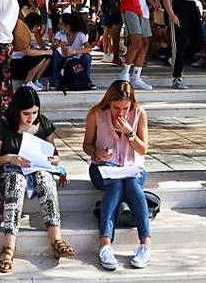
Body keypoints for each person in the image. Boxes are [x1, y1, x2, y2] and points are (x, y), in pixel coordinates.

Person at [0, 87, 75, 273]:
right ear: (16, 110)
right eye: (26, 113)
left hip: (38, 170)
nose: (31, 117)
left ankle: (56, 239)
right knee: (16, 182)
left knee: (46, 179)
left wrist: (55, 159)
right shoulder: (4, 124)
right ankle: (8, 247)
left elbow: (54, 153)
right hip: (10, 171)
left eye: (35, 112)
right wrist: (11, 158)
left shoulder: (43, 123)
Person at [83, 80, 152, 271]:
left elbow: (143, 149)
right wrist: (97, 154)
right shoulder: (96, 114)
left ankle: (145, 244)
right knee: (114, 184)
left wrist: (130, 133)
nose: (120, 112)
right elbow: (86, 145)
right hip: (103, 167)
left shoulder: (139, 113)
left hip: (131, 167)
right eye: (116, 108)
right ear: (109, 102)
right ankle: (105, 245)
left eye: (125, 108)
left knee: (131, 184)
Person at [160, 0, 204, 89]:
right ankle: (177, 77)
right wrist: (171, 14)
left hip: (191, 7)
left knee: (199, 41)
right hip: (178, 7)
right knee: (179, 43)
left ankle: (176, 60)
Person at [118, 0, 159, 90]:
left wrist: (153, 3)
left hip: (144, 10)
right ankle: (124, 73)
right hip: (129, 8)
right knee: (136, 41)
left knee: (145, 43)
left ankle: (136, 76)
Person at [50, 13, 94, 89]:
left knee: (87, 56)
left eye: (61, 24)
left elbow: (89, 48)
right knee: (55, 54)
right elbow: (53, 46)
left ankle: (85, 81)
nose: (58, 26)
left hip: (77, 60)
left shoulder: (80, 34)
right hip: (64, 60)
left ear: (68, 26)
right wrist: (58, 44)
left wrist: (74, 51)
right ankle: (56, 81)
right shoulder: (59, 34)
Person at [10, 13, 53, 91]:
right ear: (34, 25)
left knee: (47, 57)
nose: (38, 28)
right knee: (41, 56)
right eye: (38, 26)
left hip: (20, 61)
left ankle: (35, 81)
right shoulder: (22, 33)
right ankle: (28, 82)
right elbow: (27, 52)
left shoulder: (26, 31)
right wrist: (45, 52)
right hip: (16, 65)